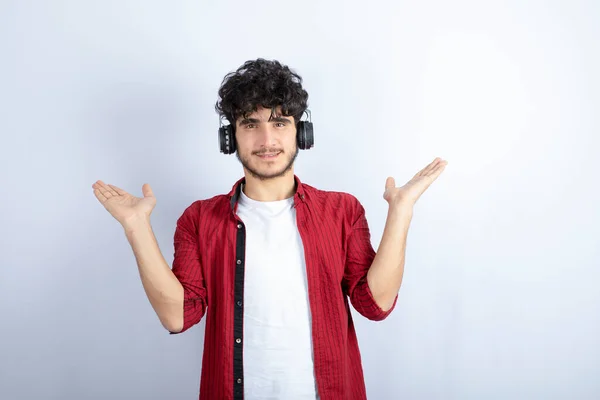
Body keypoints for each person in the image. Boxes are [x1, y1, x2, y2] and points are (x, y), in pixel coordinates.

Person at [92, 58, 448, 400]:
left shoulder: (342, 211)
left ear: (301, 133)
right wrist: (136, 226)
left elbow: (376, 304)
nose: (266, 139)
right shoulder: (199, 220)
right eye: (250, 124)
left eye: (279, 122)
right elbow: (177, 315)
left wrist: (401, 212)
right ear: (229, 137)